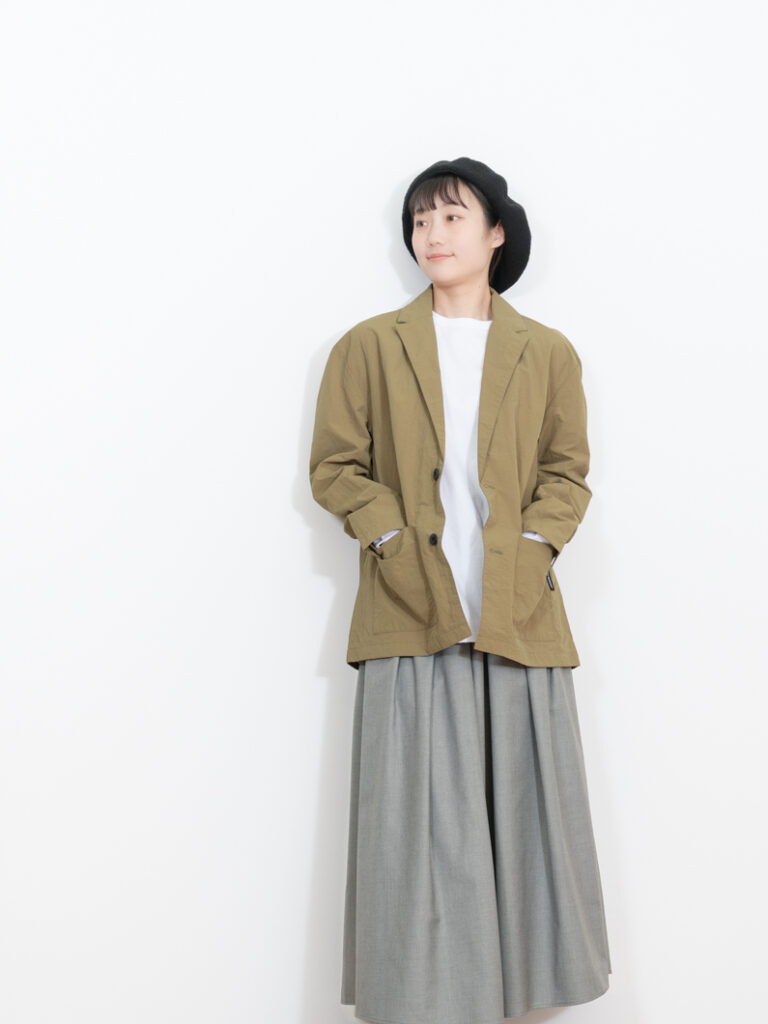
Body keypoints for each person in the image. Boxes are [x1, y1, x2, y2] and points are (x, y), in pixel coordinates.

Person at [309, 157, 612, 1024]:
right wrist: (391, 539)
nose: (431, 234)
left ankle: (525, 1003)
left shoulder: (547, 352)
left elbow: (567, 473)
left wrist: (536, 544)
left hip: (517, 621)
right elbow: (336, 467)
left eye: (450, 217)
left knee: (529, 839)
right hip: (412, 615)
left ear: (495, 234)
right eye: (419, 220)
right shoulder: (369, 346)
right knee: (415, 844)